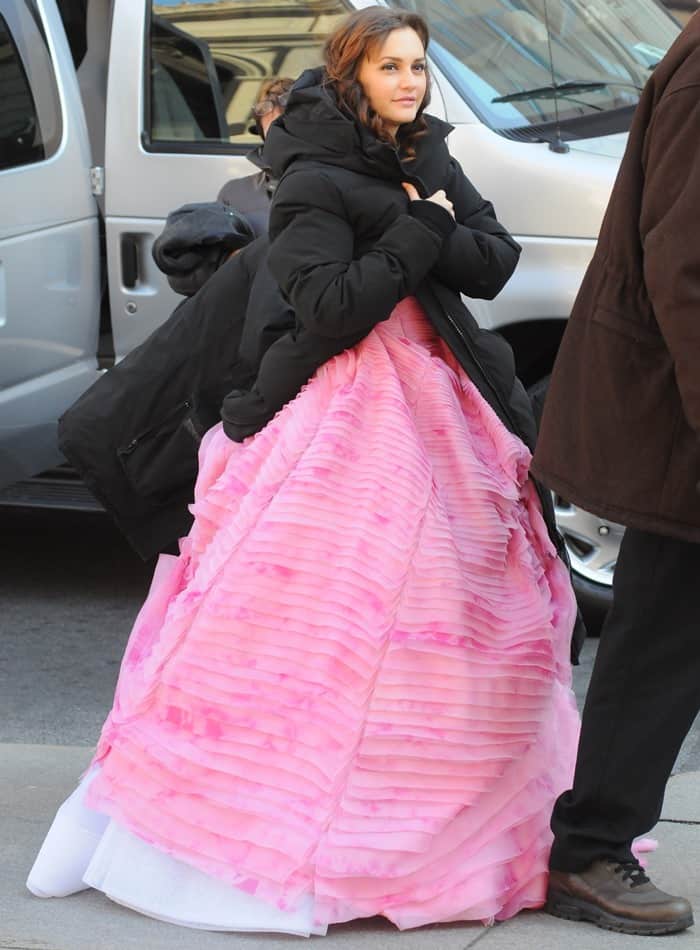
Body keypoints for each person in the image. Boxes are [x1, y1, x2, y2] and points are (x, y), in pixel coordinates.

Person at [27, 7, 581, 934]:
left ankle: (436, 829)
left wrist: (426, 218)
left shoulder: (428, 150)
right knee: (326, 623)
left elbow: (492, 261)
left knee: (463, 609)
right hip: (345, 406)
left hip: (443, 397)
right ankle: (293, 844)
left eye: (418, 66)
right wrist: (415, 228)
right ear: (351, 72)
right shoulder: (312, 179)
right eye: (391, 68)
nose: (410, 82)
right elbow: (329, 308)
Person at [531, 13, 700, 938]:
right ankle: (590, 850)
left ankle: (593, 841)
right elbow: (688, 266)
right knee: (663, 638)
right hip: (681, 425)